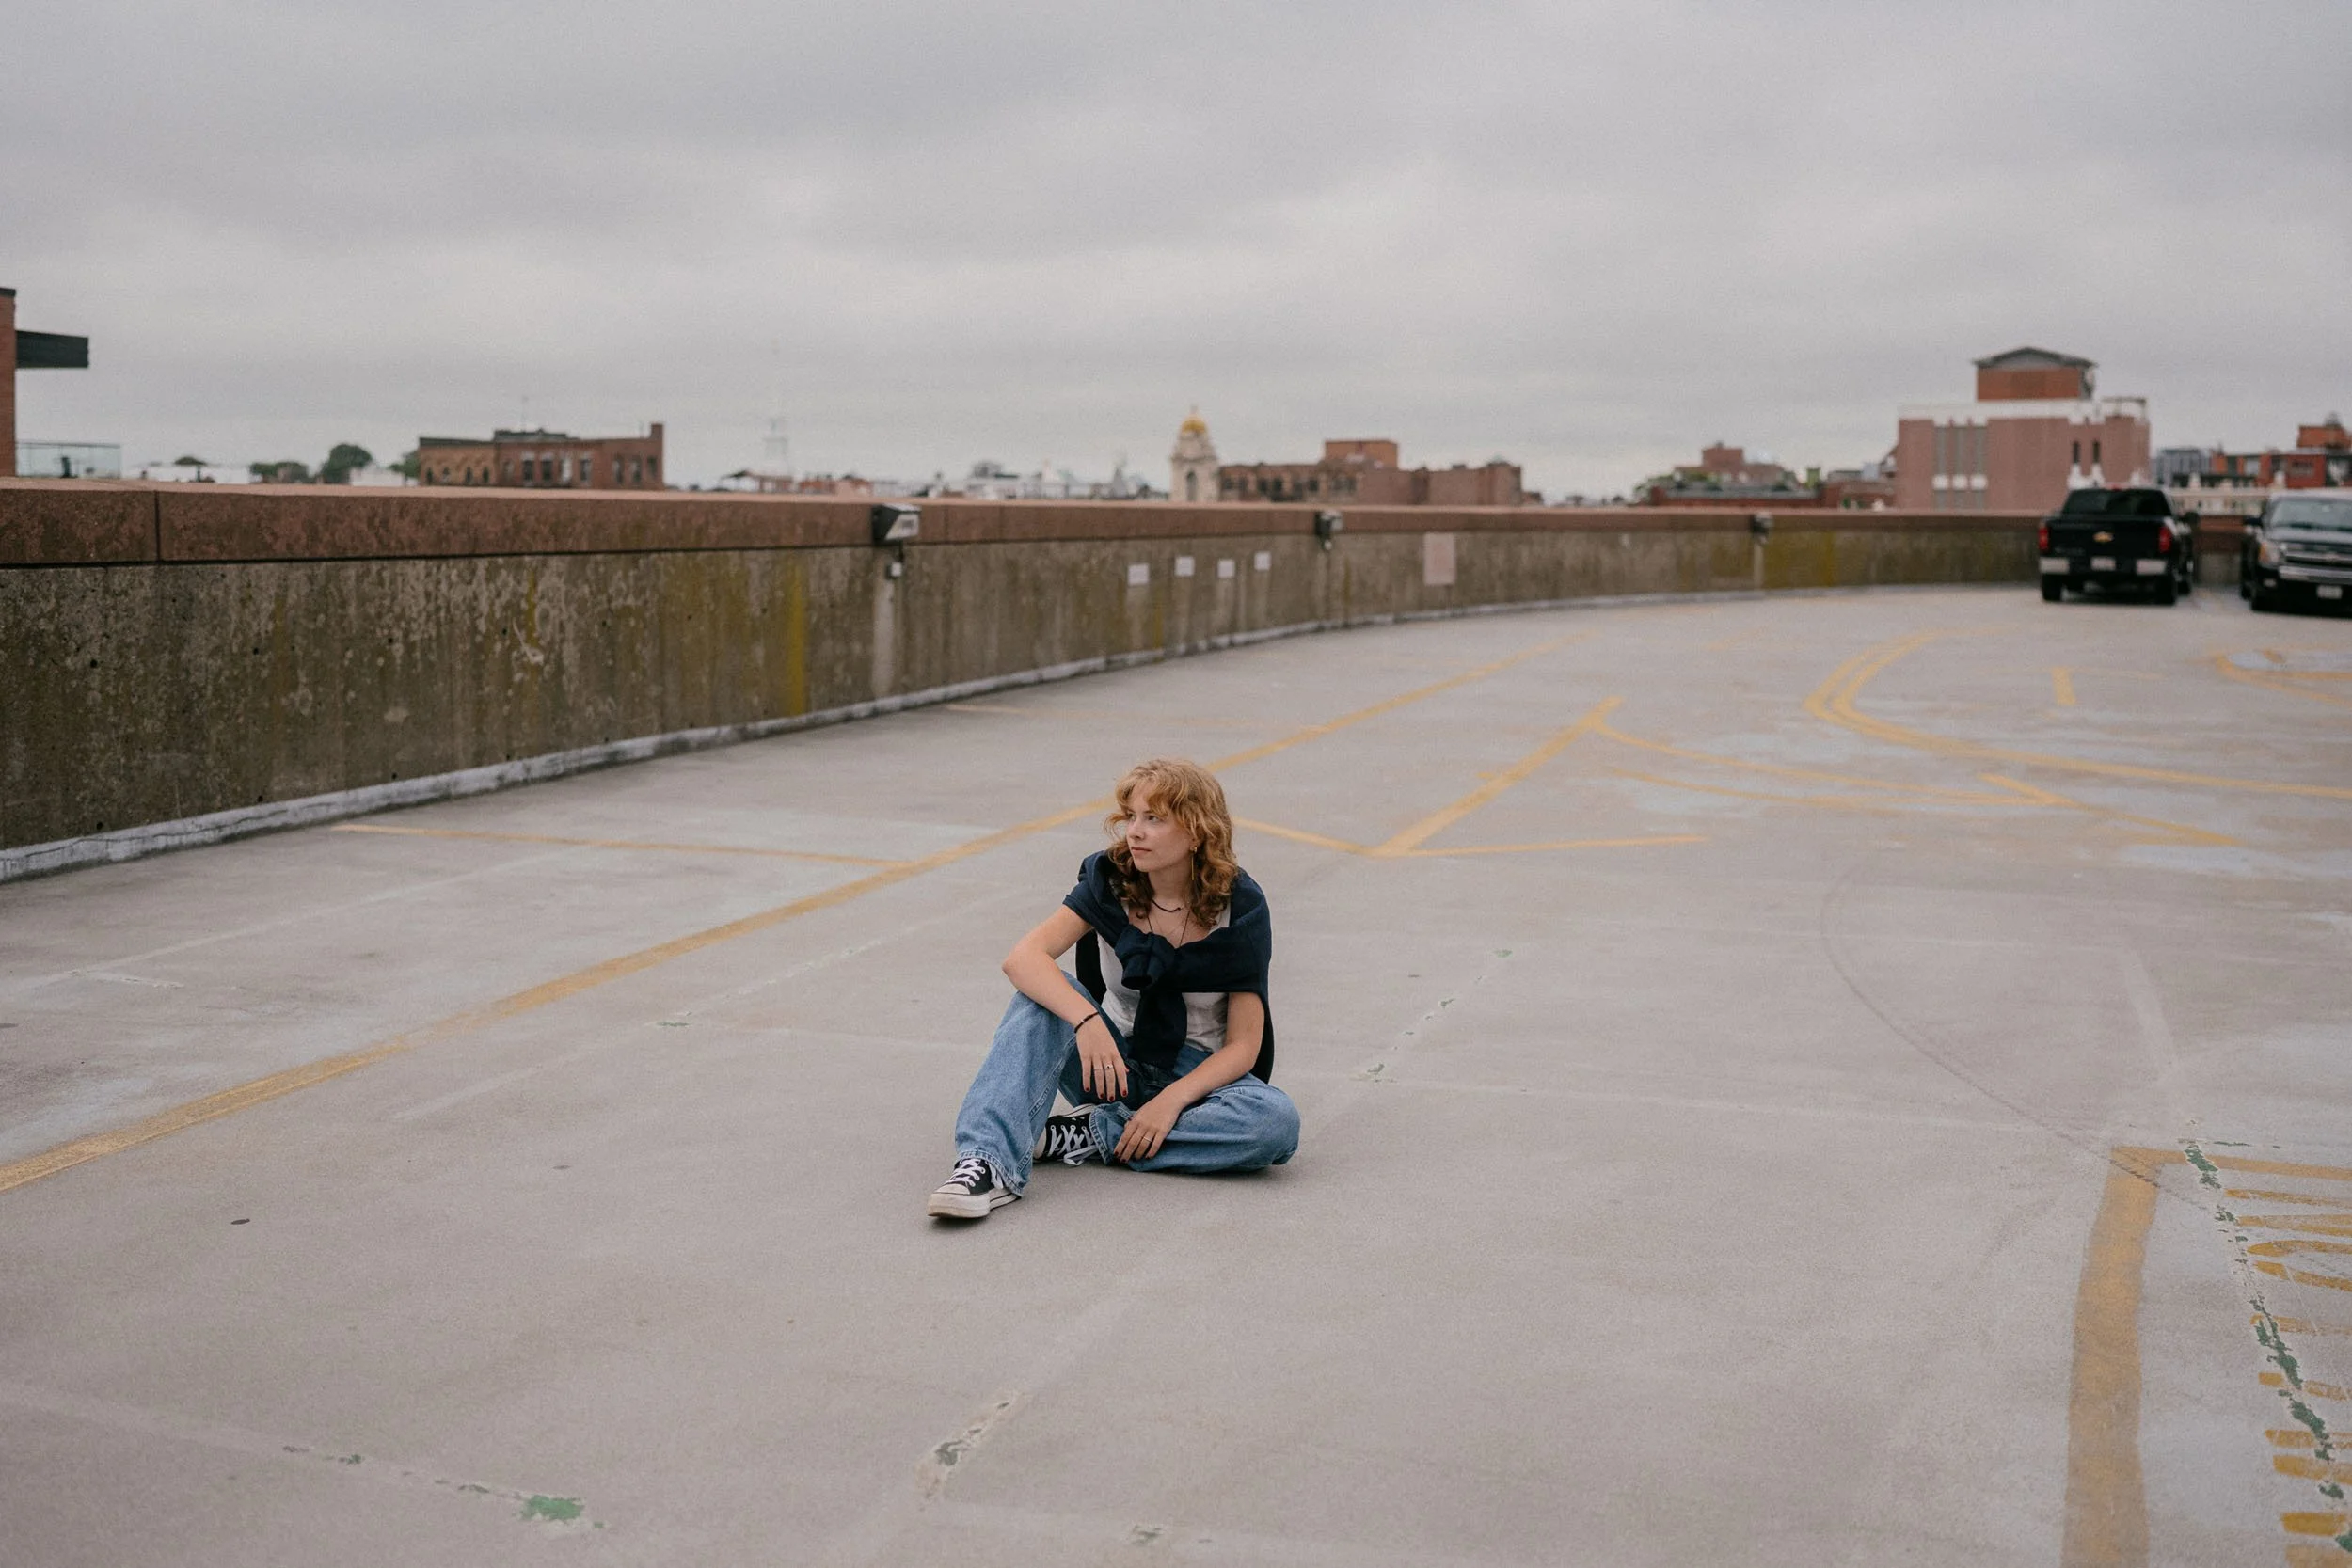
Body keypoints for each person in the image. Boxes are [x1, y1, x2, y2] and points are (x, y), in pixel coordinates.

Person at [929, 758, 1300, 1220]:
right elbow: (1023, 958)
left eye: (1155, 818)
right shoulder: (1110, 883)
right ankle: (985, 1162)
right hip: (1108, 1061)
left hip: (1195, 1078)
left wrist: (1170, 1101)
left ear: (1198, 832)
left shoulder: (1240, 907)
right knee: (1045, 994)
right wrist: (1087, 1021)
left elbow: (1244, 1045)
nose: (1135, 832)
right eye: (1131, 816)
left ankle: (1092, 1134)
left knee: (1275, 1125)